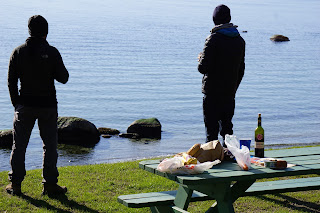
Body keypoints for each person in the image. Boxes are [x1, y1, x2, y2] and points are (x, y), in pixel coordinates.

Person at [6, 15, 69, 195]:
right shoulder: (52, 52)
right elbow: (64, 78)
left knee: (19, 146)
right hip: (48, 106)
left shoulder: (18, 52)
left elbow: (11, 81)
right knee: (50, 146)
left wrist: (16, 104)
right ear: (46, 32)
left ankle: (16, 184)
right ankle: (49, 184)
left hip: (24, 105)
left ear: (29, 30)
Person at [198, 5, 245, 143]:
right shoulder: (240, 41)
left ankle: (213, 161)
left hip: (212, 93)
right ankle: (229, 159)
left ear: (214, 20)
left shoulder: (213, 39)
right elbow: (241, 69)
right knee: (227, 132)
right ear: (229, 19)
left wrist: (201, 57)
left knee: (211, 134)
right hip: (229, 93)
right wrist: (233, 89)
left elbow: (202, 68)